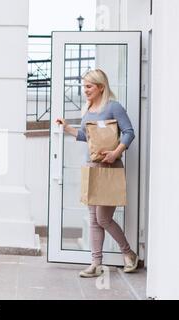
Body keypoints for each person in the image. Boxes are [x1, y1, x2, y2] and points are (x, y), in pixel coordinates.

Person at [55, 69, 138, 278]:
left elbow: (129, 132)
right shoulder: (89, 108)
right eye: (84, 87)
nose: (85, 91)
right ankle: (96, 264)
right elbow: (87, 136)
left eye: (89, 87)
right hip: (92, 167)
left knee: (103, 218)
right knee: (93, 219)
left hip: (110, 168)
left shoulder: (113, 107)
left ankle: (129, 254)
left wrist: (116, 153)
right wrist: (68, 128)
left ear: (101, 87)